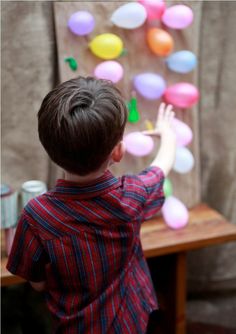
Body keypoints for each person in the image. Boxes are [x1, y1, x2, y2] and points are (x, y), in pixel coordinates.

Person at [7, 76, 176, 334]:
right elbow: (161, 166)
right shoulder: (133, 195)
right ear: (118, 152)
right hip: (132, 322)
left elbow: (36, 282)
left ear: (49, 149)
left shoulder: (37, 215)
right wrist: (167, 133)